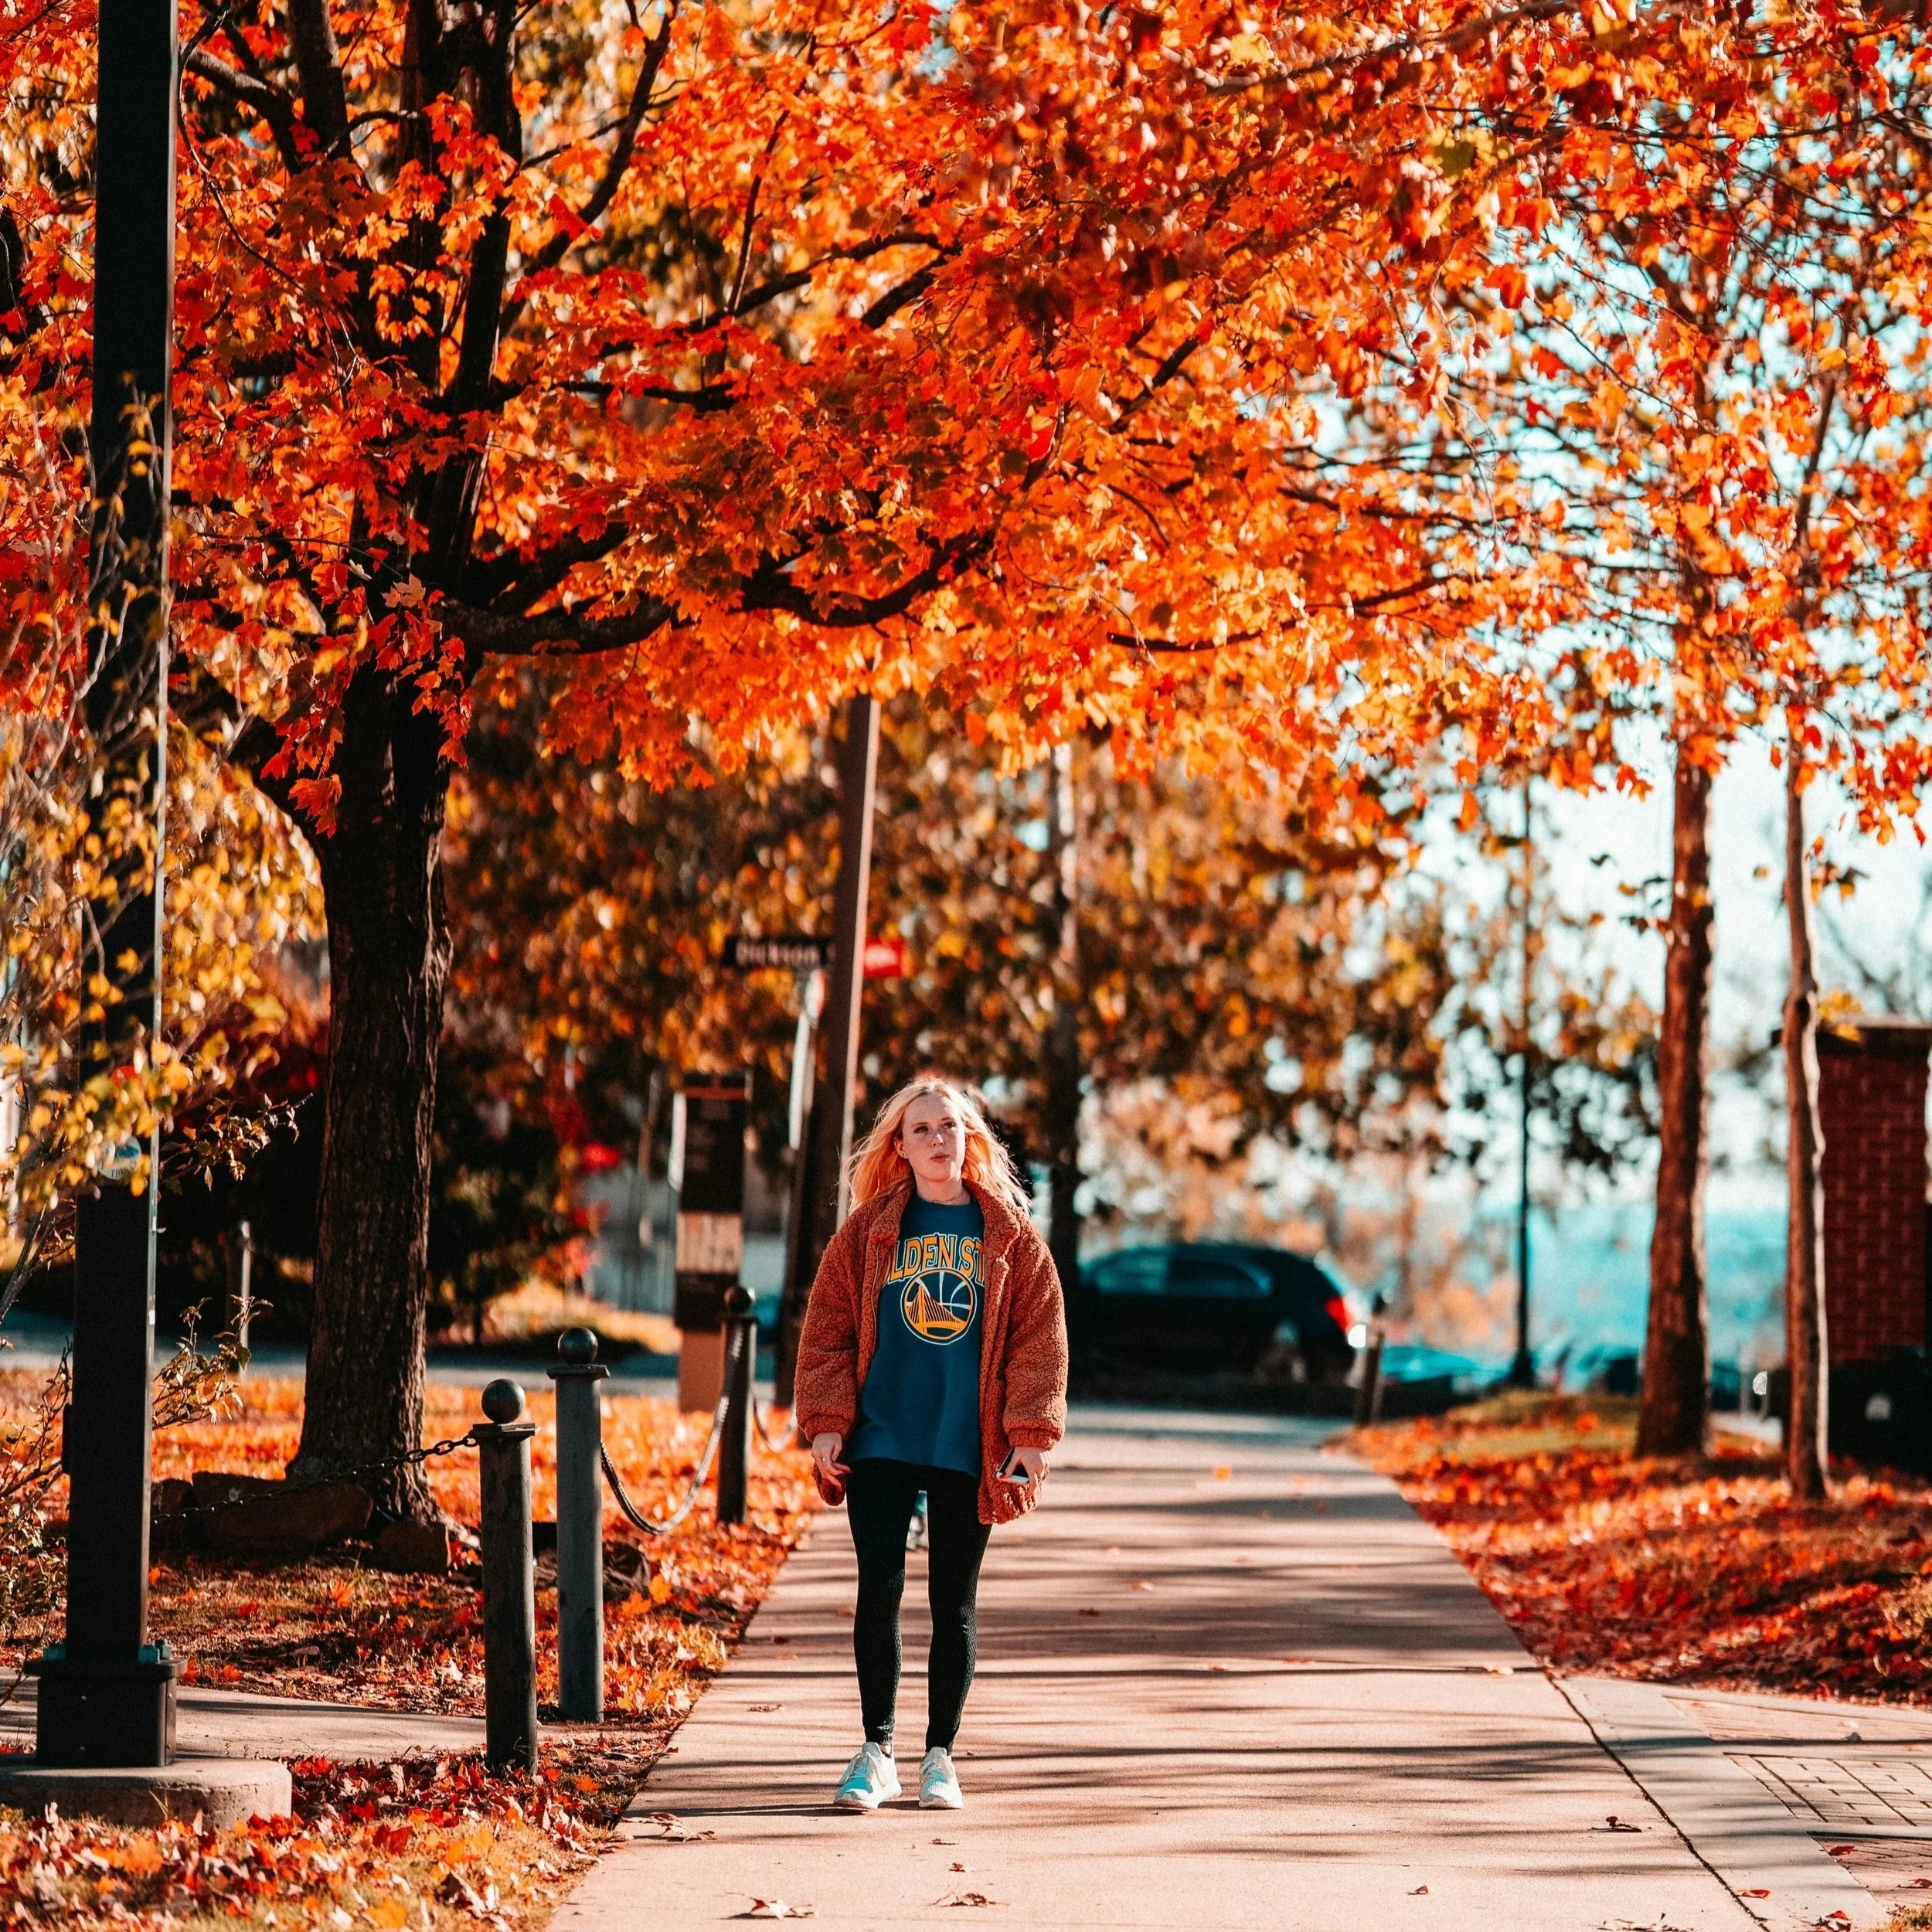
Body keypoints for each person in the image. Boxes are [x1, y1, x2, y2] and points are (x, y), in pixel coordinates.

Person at [794, 1076, 1068, 1812]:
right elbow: (827, 1333)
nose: (937, 1139)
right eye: (921, 1129)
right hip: (882, 1436)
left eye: (949, 1126)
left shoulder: (1009, 1237)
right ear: (899, 1146)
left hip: (967, 1444)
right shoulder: (867, 1233)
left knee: (955, 1601)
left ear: (970, 1138)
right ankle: (875, 1751)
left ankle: (939, 1757)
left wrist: (1030, 1437)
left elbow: (1038, 1344)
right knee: (878, 1588)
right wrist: (825, 1422)